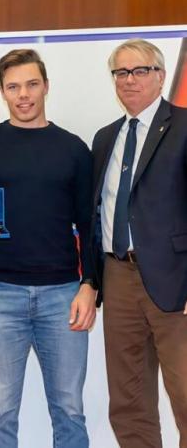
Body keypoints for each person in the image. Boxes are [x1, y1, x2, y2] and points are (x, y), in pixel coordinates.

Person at [0, 49, 96, 448]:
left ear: (46, 86)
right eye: (13, 87)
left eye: (31, 84)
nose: (23, 94)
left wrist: (90, 285)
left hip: (63, 294)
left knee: (69, 410)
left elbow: (89, 224)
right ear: (3, 91)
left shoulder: (74, 149)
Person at [91, 38, 187, 448]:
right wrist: (92, 282)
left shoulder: (184, 126)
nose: (129, 80)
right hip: (118, 279)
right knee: (128, 401)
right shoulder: (104, 138)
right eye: (121, 72)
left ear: (161, 76)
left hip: (176, 280)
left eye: (140, 70)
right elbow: (94, 215)